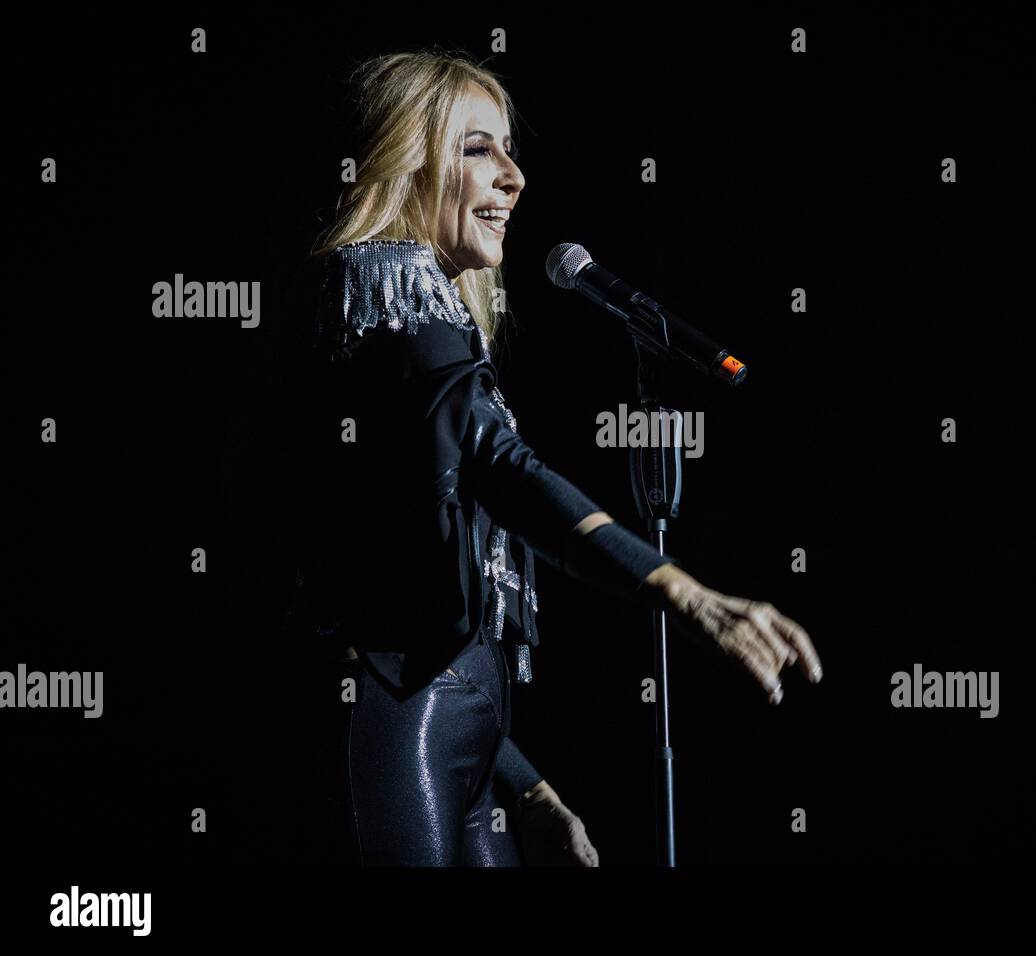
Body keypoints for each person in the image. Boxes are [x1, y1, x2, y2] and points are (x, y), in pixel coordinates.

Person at [288, 49, 822, 867]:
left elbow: (429, 626)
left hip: (462, 756)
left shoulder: (418, 325)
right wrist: (684, 592)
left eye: (510, 149)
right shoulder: (391, 304)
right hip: (402, 742)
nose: (514, 177)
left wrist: (526, 787)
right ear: (402, 161)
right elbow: (502, 471)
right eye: (477, 149)